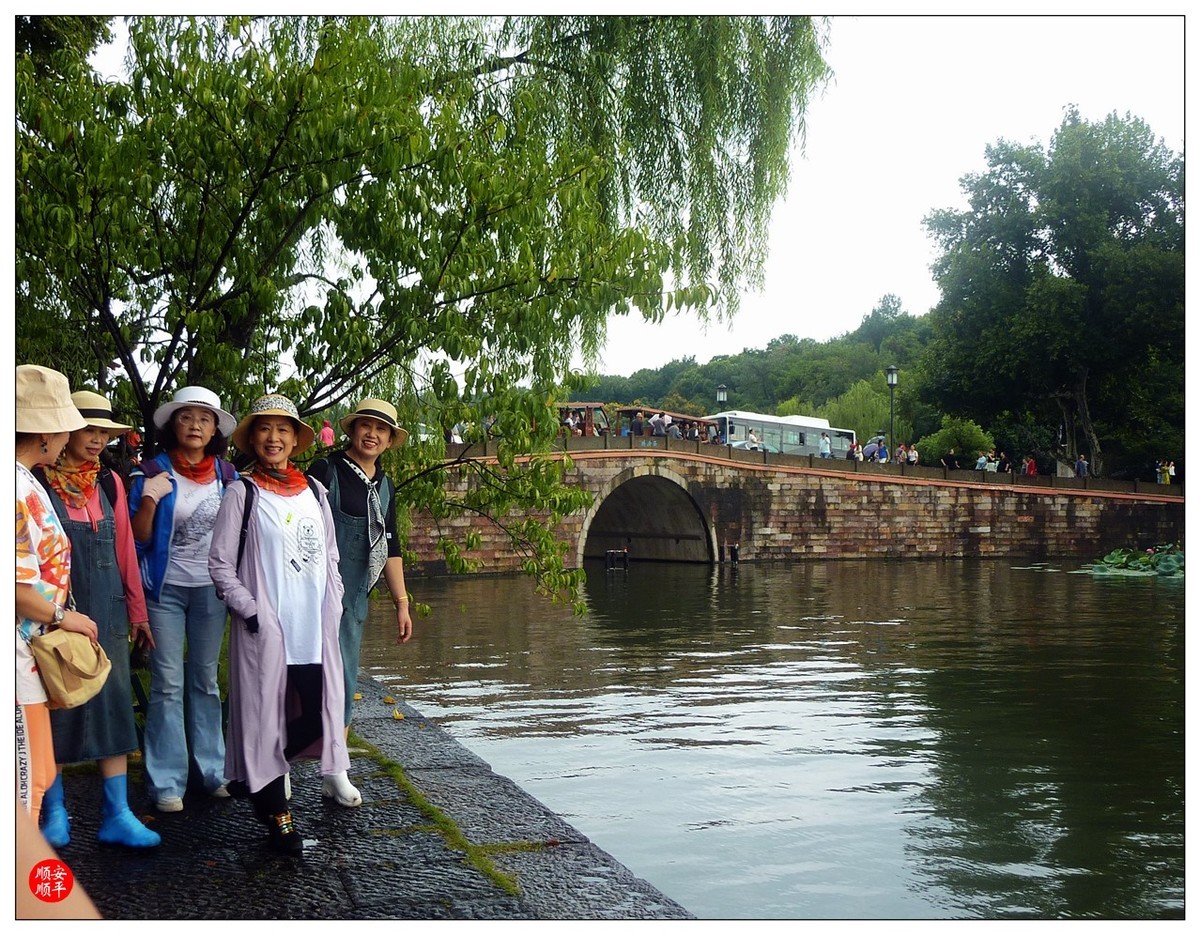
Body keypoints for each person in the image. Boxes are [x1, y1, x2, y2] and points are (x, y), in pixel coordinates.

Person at [208, 393, 358, 856]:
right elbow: (220, 565)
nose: (273, 438)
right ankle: (279, 820)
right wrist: (251, 611)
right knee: (264, 719)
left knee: (315, 716)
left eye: (283, 430)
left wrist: (335, 603)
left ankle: (253, 773)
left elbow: (331, 556)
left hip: (313, 631)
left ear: (295, 440)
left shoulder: (315, 491)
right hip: (267, 633)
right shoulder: (242, 493)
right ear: (252, 439)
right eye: (264, 429)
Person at [35, 391, 160, 848]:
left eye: (104, 432)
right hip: (55, 611)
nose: (97, 439)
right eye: (89, 429)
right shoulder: (36, 482)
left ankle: (117, 813)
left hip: (108, 609)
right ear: (65, 431)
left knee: (113, 705)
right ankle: (54, 811)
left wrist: (138, 612)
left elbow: (125, 548)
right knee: (55, 703)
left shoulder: (109, 482)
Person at [129, 385, 239, 813]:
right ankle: (166, 781)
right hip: (165, 590)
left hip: (211, 589)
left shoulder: (227, 477)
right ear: (173, 425)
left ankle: (212, 772)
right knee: (168, 682)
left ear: (214, 431)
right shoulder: (152, 471)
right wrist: (150, 497)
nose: (195, 425)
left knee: (206, 680)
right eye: (186, 417)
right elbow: (138, 538)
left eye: (204, 419)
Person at [15, 365, 97, 829]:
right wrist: (64, 617)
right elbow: (14, 587)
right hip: (16, 655)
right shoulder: (14, 487)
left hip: (28, 651)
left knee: (38, 774)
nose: (69, 436)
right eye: (65, 426)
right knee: (25, 785)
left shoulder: (26, 480)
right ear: (45, 433)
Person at [306, 398, 414, 732]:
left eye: (381, 429)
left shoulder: (385, 486)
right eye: (366, 425)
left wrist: (402, 604)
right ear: (352, 430)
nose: (372, 434)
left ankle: (336, 750)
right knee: (304, 669)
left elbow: (391, 545)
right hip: (313, 590)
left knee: (344, 674)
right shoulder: (326, 470)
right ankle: (289, 744)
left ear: (389, 441)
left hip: (353, 599)